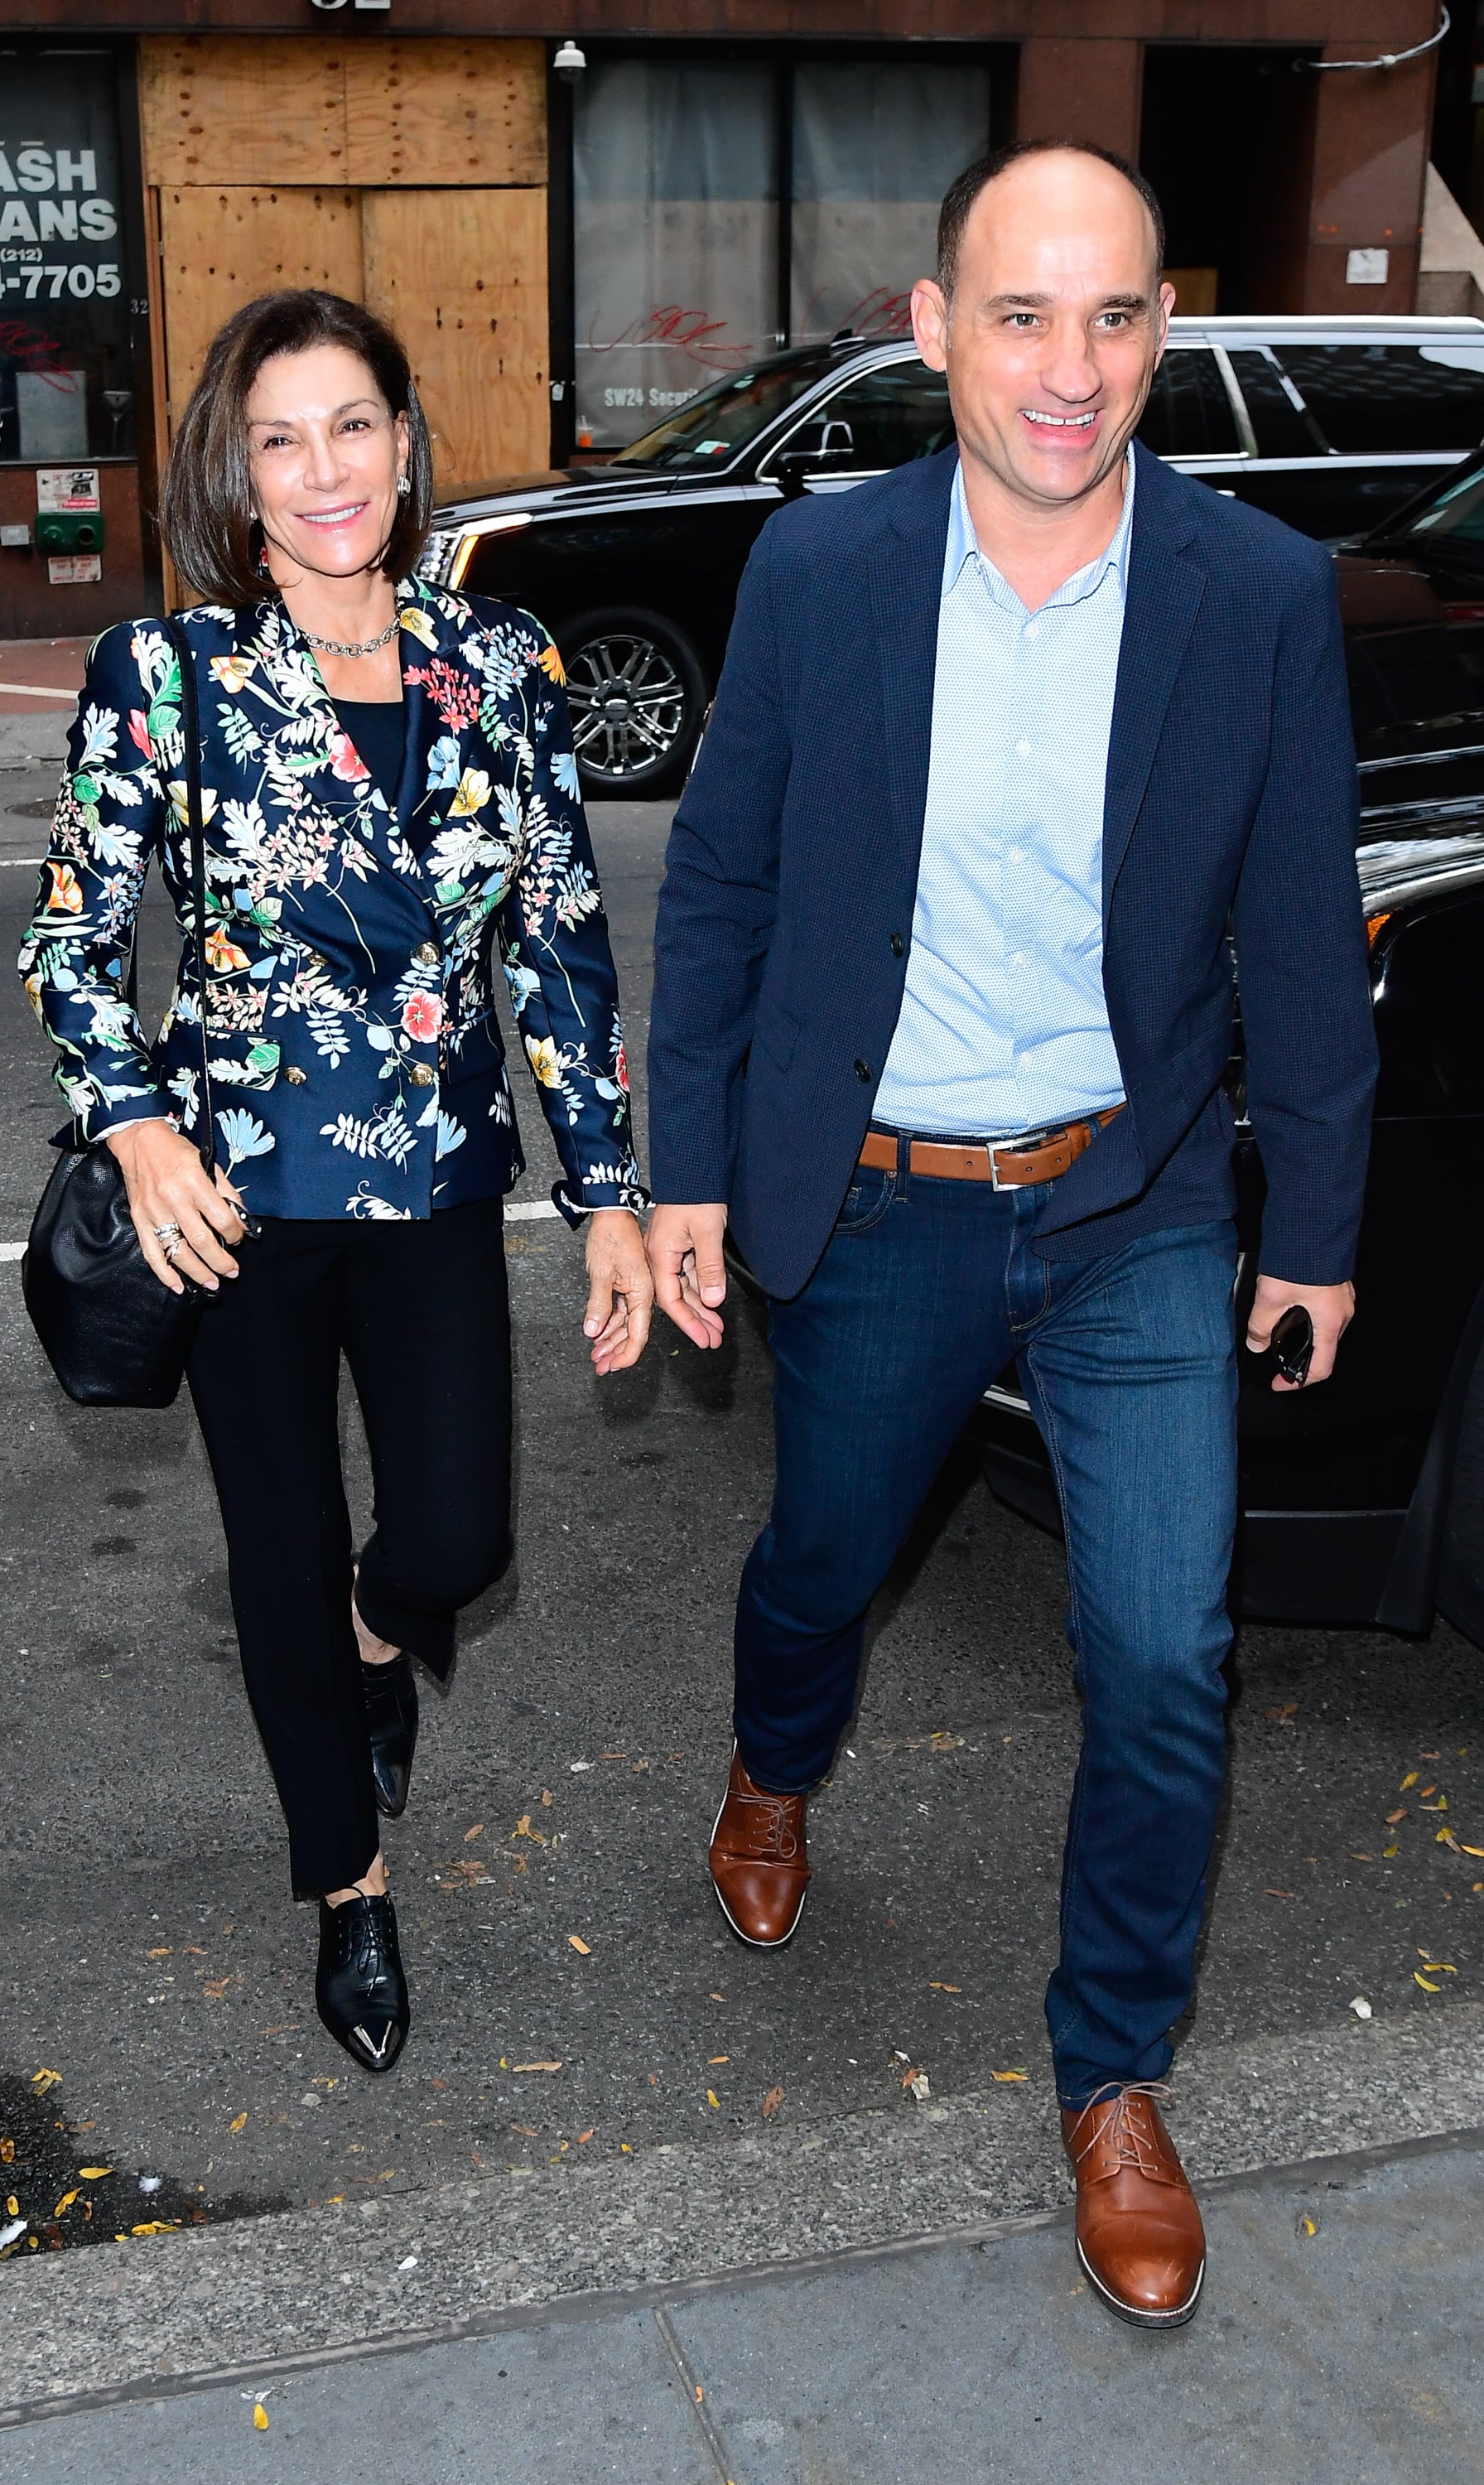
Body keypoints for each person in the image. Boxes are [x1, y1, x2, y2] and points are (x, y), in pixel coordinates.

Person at [645, 142, 1376, 2327]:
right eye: (1021, 315)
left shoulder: (1250, 596)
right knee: (819, 1570)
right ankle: (772, 1774)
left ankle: (1113, 2079)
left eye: (1114, 316)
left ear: (1163, 327)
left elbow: (1293, 941)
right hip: (873, 1200)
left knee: (1161, 1660)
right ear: (929, 323)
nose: (1068, 370)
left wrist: (1309, 1225)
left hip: (1132, 1198)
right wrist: (685, 1172)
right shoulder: (822, 573)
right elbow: (728, 887)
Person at [20, 288, 651, 2077]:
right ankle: (347, 1887)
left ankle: (386, 1642)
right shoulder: (173, 675)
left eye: (352, 425)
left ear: (402, 439)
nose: (321, 471)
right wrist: (138, 1125)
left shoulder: (501, 663)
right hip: (237, 1207)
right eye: (280, 437)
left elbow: (562, 944)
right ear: (237, 465)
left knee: (456, 1538)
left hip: (440, 1183)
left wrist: (605, 1187)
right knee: (279, 1558)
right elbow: (72, 933)